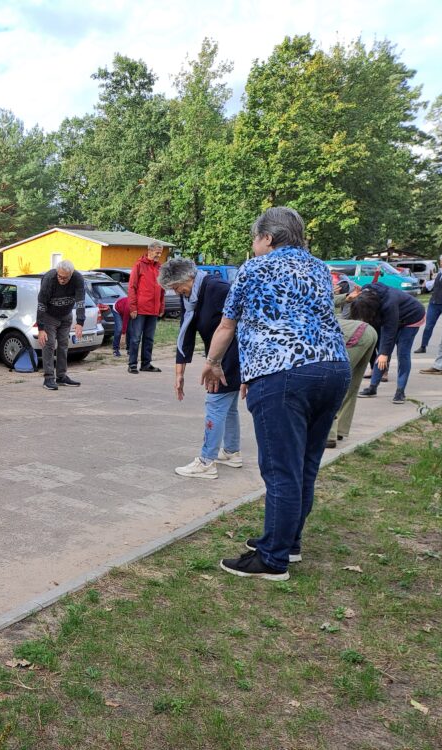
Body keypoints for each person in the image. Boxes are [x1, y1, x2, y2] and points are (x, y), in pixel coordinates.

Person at [201, 207, 349, 581]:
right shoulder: (318, 267)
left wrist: (212, 362)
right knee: (305, 465)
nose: (253, 245)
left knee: (281, 469)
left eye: (255, 238)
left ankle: (272, 559)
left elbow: (227, 323)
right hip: (333, 368)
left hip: (283, 373)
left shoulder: (253, 268)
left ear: (267, 238)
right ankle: (287, 541)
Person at [158, 258, 243, 479]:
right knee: (229, 405)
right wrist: (179, 374)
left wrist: (219, 363)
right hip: (220, 356)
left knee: (214, 403)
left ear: (188, 277)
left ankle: (206, 462)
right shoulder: (192, 297)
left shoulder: (218, 289)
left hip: (231, 357)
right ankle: (232, 452)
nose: (176, 292)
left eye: (176, 287)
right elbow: (185, 333)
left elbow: (242, 323)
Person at [350, 284, 425, 404]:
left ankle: (400, 391)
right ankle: (372, 388)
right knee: (382, 354)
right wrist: (383, 353)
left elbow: (390, 330)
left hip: (412, 317)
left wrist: (385, 353)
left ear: (374, 307)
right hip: (393, 317)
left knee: (402, 353)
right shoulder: (365, 294)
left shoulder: (389, 303)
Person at [327, 317, 378, 447]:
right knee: (351, 384)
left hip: (353, 336)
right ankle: (341, 429)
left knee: (333, 384)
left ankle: (329, 435)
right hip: (368, 331)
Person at [36, 260, 85, 390]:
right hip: (49, 316)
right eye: (60, 276)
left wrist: (80, 322)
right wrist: (41, 329)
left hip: (66, 316)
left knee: (63, 345)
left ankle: (61, 376)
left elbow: (80, 301)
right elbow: (41, 304)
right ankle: (48, 378)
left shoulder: (78, 279)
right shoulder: (49, 279)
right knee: (49, 344)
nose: (61, 280)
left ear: (71, 274)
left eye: (65, 278)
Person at [126, 242, 165, 374]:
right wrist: (132, 307)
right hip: (140, 309)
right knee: (136, 337)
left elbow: (162, 289)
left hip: (154, 309)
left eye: (160, 253)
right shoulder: (138, 265)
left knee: (149, 338)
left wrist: (161, 306)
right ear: (149, 250)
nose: (158, 255)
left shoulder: (160, 267)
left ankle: (146, 364)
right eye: (157, 252)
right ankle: (132, 364)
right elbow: (132, 287)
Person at [415, 252, 442, 354]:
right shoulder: (440, 273)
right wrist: (426, 284)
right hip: (434, 303)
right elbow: (434, 284)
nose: (441, 264)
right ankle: (423, 346)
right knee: (428, 326)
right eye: (441, 262)